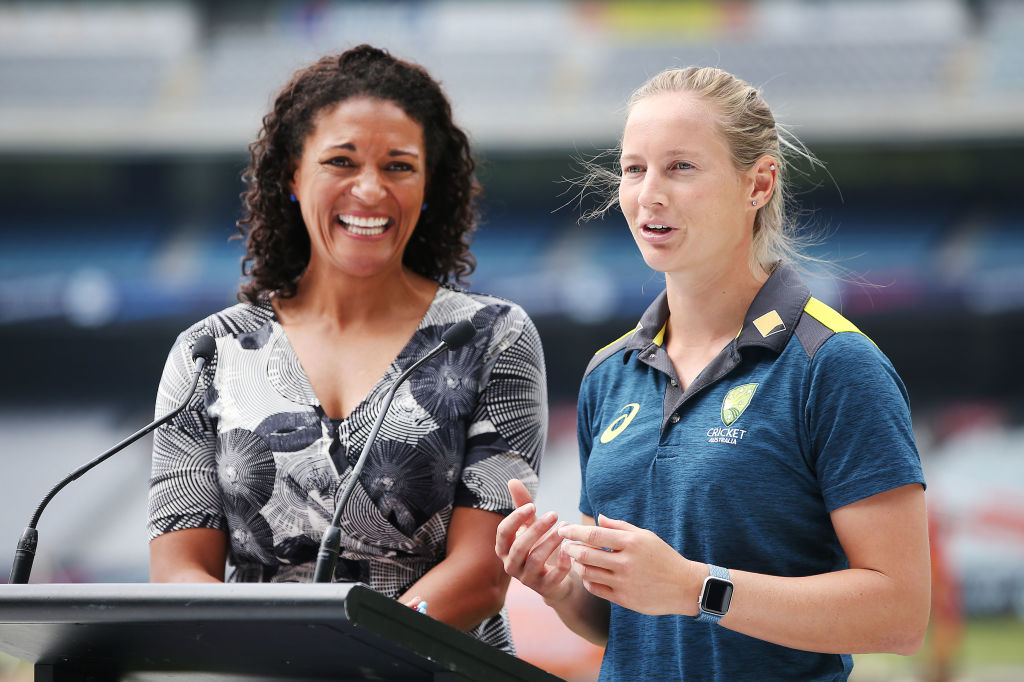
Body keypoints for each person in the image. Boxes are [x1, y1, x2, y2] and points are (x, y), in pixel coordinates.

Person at [496, 66, 930, 679]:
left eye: (681, 167)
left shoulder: (834, 363)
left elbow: (901, 614)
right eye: (634, 168)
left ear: (759, 184)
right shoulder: (609, 375)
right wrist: (561, 587)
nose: (650, 193)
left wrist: (697, 588)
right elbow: (622, 619)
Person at [147, 45, 548, 653]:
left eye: (399, 166)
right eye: (341, 160)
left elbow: (482, 574)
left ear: (430, 184)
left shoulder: (492, 337)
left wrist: (348, 657)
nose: (370, 189)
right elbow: (179, 572)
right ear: (291, 174)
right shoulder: (209, 351)